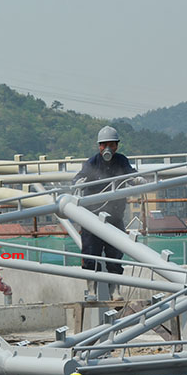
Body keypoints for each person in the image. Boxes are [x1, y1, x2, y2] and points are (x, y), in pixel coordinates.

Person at [72, 125, 139, 300]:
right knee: (90, 255)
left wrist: (136, 178)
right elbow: (80, 176)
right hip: (91, 219)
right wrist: (79, 181)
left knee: (115, 255)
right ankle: (92, 291)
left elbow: (130, 175)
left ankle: (115, 291)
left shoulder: (121, 161)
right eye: (104, 145)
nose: (107, 148)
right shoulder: (92, 162)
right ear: (99, 146)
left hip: (114, 218)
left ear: (117, 145)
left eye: (111, 144)